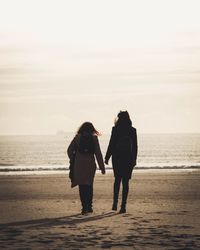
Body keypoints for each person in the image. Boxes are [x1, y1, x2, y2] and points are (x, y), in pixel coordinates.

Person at [67, 122, 105, 215]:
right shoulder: (94, 138)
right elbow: (98, 153)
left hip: (79, 165)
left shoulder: (77, 138)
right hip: (90, 165)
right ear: (92, 129)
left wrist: (74, 159)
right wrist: (102, 167)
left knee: (82, 186)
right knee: (89, 185)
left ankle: (84, 207)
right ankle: (90, 206)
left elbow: (69, 150)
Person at [105, 111, 138, 213]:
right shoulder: (132, 130)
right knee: (125, 182)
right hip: (128, 158)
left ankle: (115, 203)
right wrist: (134, 159)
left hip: (117, 157)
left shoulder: (116, 129)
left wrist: (107, 157)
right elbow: (135, 146)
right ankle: (123, 206)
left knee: (117, 180)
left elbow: (112, 143)